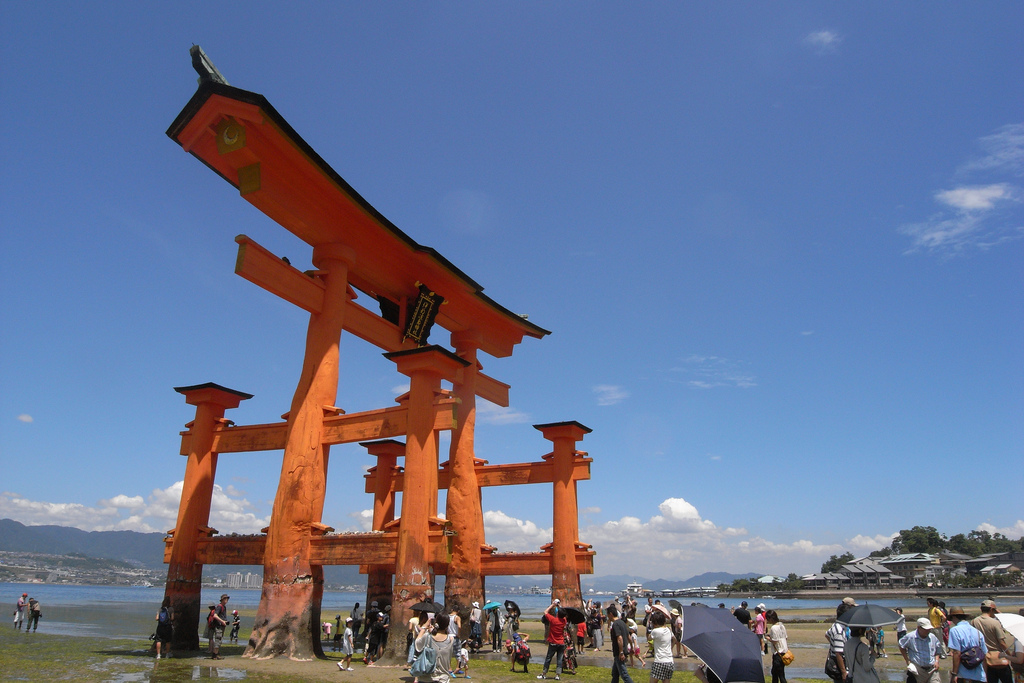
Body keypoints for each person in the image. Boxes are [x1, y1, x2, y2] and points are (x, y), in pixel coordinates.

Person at [973, 600, 1012, 683]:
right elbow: (1001, 642)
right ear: (991, 610)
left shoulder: (975, 621)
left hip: (984, 657)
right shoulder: (995, 623)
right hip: (998, 656)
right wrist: (1010, 655)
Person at [413, 612, 455, 683]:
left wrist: (424, 627)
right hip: (443, 679)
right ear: (448, 624)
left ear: (436, 622)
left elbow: (417, 643)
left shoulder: (428, 637)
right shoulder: (451, 640)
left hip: (426, 678)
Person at [948, 606, 987, 683]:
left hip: (964, 674)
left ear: (954, 617)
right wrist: (985, 675)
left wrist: (954, 674)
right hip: (979, 675)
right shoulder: (977, 632)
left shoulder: (954, 630)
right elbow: (984, 655)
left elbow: (957, 653)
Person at [900, 617, 941, 683]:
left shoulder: (932, 637)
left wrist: (937, 661)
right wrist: (907, 660)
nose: (928, 631)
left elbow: (938, 649)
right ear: (919, 628)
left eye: (929, 629)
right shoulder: (910, 637)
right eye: (926, 629)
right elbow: (901, 645)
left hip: (932, 669)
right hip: (917, 670)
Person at [538, 600, 568, 680]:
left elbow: (545, 612)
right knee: (559, 660)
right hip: (561, 643)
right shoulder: (564, 621)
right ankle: (557, 675)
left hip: (553, 642)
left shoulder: (553, 620)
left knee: (548, 658)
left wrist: (552, 605)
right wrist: (559, 606)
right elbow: (563, 614)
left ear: (557, 613)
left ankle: (544, 673)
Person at [826, 601, 852, 683]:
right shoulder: (839, 631)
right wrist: (844, 673)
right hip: (840, 667)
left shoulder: (836, 625)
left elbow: (827, 634)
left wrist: (834, 645)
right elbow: (838, 654)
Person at [609, 605, 635, 683]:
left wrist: (621, 652)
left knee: (624, 675)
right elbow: (628, 637)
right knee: (615, 674)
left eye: (607, 615)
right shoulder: (622, 623)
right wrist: (632, 647)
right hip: (622, 651)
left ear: (610, 614)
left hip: (619, 653)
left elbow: (619, 638)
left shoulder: (616, 624)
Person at [649, 609, 677, 683]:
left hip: (659, 661)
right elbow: (674, 640)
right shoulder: (668, 630)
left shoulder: (655, 631)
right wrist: (670, 648)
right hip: (670, 661)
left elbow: (649, 638)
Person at [766, 610, 790, 683]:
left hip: (778, 653)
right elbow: (785, 637)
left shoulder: (774, 628)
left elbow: (775, 641)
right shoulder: (781, 625)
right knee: (775, 673)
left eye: (767, 619)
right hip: (784, 652)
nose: (767, 620)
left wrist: (768, 639)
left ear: (771, 618)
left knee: (780, 675)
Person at [208, 594, 229, 659]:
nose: (226, 600)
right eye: (225, 599)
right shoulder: (219, 606)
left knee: (219, 640)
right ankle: (214, 655)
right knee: (218, 639)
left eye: (227, 599)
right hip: (219, 626)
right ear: (222, 600)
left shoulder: (223, 607)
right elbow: (215, 615)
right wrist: (222, 621)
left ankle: (216, 654)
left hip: (221, 626)